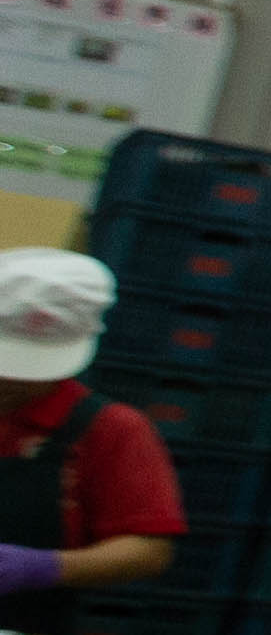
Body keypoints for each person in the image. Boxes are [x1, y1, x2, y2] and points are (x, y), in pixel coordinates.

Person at [0, 245, 192, 613]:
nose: (8, 378)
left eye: (27, 371)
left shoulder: (110, 429)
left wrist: (42, 567)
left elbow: (149, 550)